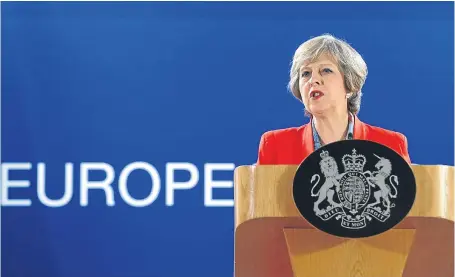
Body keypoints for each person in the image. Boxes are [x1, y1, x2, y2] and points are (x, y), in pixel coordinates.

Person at [256, 34, 411, 165]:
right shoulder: (275, 145)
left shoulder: (391, 144)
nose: (313, 79)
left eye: (325, 70)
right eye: (306, 73)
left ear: (350, 86)